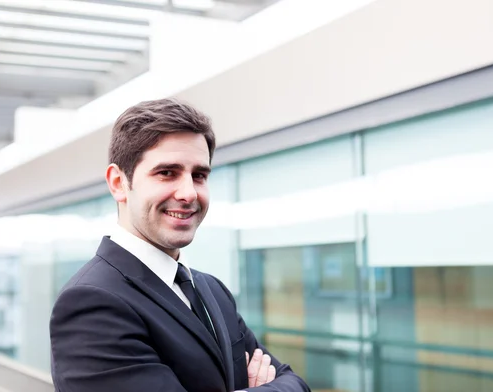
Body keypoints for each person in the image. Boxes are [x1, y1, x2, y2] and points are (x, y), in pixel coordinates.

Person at [49, 98, 310, 392]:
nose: (189, 193)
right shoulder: (92, 302)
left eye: (199, 175)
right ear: (118, 183)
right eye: (167, 173)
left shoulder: (212, 290)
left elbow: (295, 383)